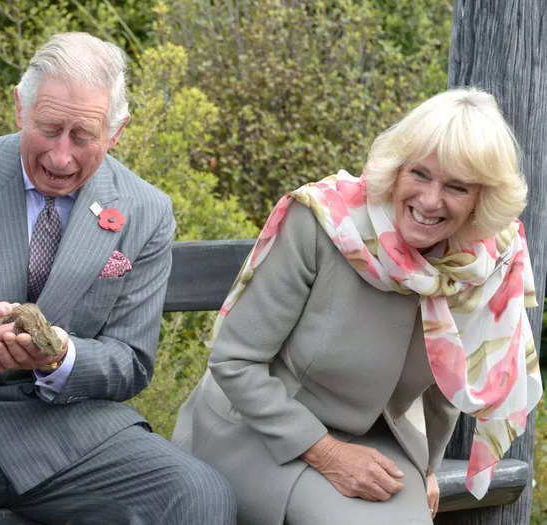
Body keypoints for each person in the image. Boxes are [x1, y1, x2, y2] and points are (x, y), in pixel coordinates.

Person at [0, 32, 236, 525]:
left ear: (116, 132)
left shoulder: (145, 211)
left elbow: (132, 361)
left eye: (83, 136)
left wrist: (62, 357)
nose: (60, 157)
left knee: (200, 496)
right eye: (49, 129)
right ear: (19, 109)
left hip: (73, 432)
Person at [172, 88, 542, 524]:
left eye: (456, 187)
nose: (429, 200)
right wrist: (326, 453)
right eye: (419, 174)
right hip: (257, 428)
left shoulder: (480, 265)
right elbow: (234, 361)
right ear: (397, 167)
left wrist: (428, 467)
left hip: (372, 437)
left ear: (482, 199)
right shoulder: (322, 222)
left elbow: (453, 382)